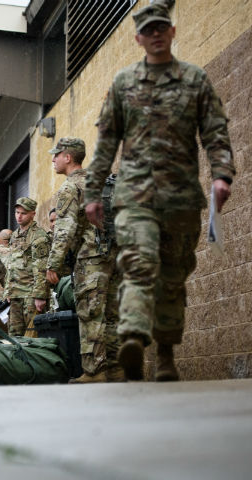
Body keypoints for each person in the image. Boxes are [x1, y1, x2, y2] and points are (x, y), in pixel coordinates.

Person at [84, 1, 235, 381]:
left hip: (181, 199)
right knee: (138, 263)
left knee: (172, 276)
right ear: (137, 38)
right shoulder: (123, 83)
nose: (154, 35)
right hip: (135, 197)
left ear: (172, 31)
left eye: (160, 28)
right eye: (147, 30)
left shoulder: (195, 80)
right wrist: (92, 193)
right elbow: (105, 143)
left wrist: (222, 175)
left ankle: (165, 357)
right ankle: (134, 338)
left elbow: (215, 132)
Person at [46, 137, 122, 383]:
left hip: (91, 258)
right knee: (113, 313)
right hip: (116, 255)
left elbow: (64, 231)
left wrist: (53, 265)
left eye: (56, 155)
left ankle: (95, 371)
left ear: (68, 157)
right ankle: (117, 369)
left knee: (91, 313)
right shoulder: (104, 181)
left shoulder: (70, 187)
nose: (53, 159)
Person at [4, 197, 50, 337]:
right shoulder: (14, 236)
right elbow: (11, 264)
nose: (19, 216)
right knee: (14, 336)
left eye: (23, 213)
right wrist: (8, 289)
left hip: (30, 294)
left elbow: (41, 267)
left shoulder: (39, 236)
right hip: (15, 293)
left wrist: (40, 296)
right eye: (17, 212)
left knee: (33, 336)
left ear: (32, 214)